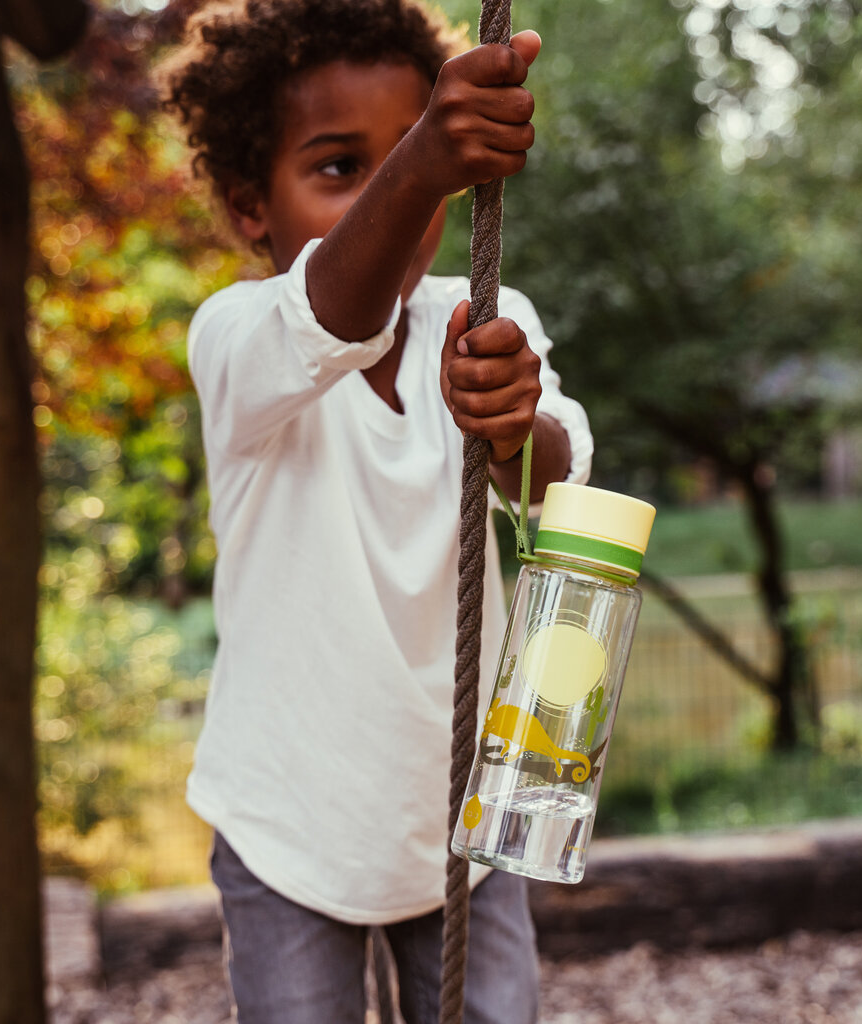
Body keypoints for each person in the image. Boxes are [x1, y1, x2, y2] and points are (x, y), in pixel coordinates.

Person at [164, 1, 592, 1020]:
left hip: (461, 814)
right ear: (246, 203)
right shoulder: (236, 339)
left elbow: (554, 478)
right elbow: (332, 310)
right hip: (289, 826)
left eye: (399, 162)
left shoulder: (482, 319)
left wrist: (510, 421)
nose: (386, 199)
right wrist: (422, 164)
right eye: (336, 168)